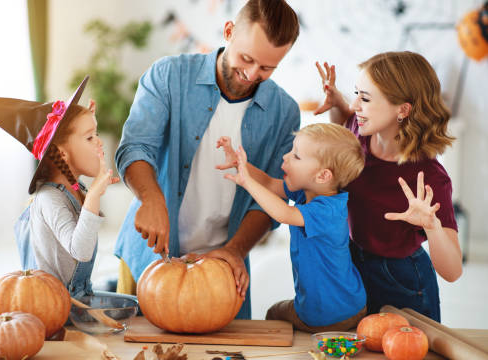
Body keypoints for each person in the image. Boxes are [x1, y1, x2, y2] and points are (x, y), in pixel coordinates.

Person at [114, 0, 301, 318]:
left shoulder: (285, 112)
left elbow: (268, 199)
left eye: (267, 68)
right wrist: (150, 198)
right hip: (148, 258)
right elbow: (135, 147)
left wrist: (236, 250)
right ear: (228, 32)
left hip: (225, 268)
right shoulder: (168, 75)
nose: (252, 74)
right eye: (247, 58)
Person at [314, 51, 463, 322]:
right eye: (355, 93)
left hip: (401, 279)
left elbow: (453, 271)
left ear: (402, 110)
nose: (356, 104)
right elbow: (344, 121)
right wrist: (336, 101)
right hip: (352, 262)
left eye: (365, 98)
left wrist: (433, 226)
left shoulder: (429, 177)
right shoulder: (360, 132)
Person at [0, 77, 119, 299]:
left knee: (127, 296)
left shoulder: (74, 188)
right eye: (90, 137)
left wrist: (86, 126)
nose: (98, 142)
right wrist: (94, 195)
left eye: (96, 134)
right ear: (62, 153)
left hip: (80, 296)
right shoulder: (49, 198)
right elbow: (81, 250)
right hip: (57, 304)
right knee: (133, 307)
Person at [216, 123, 367, 332]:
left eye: (296, 156)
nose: (286, 157)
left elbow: (284, 214)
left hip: (330, 313)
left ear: (323, 176)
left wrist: (247, 183)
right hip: (344, 304)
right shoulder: (308, 192)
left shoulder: (328, 211)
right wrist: (239, 164)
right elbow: (269, 183)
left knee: (274, 314)